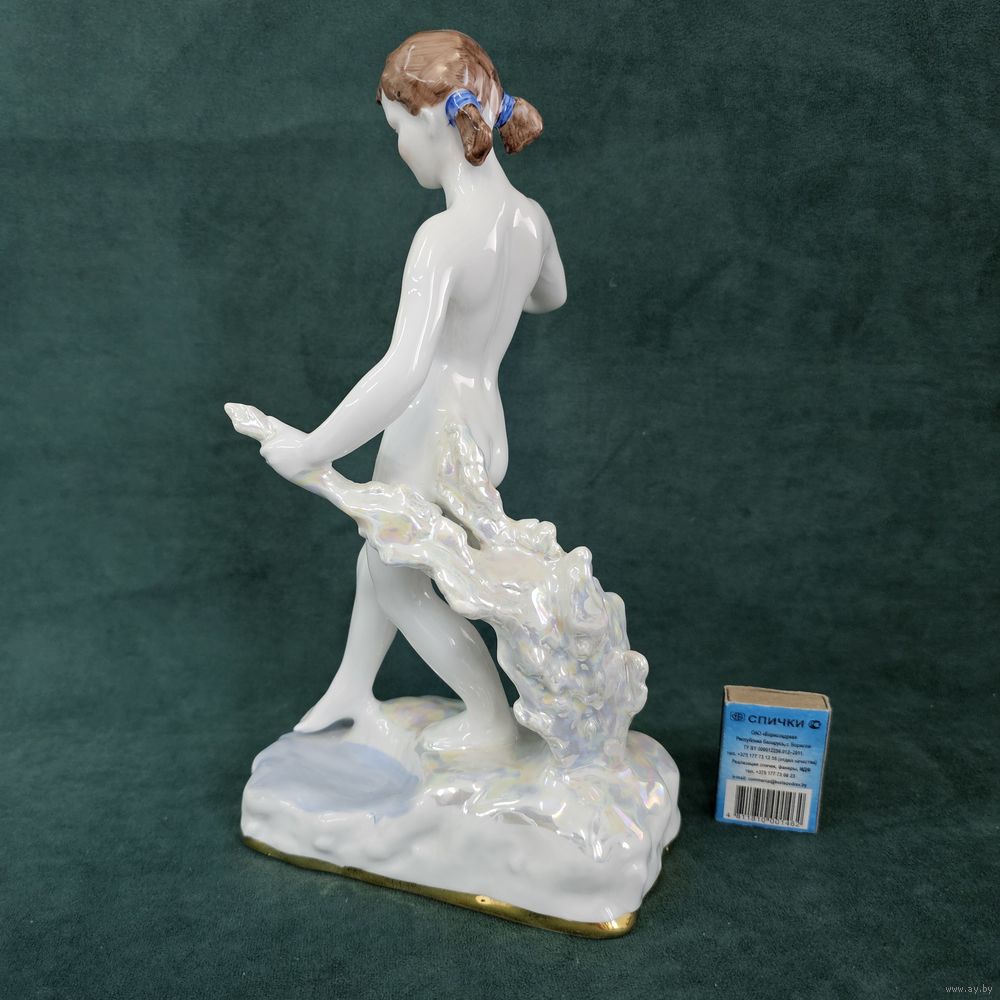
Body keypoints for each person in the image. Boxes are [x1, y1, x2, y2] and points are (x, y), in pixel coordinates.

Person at [258, 30, 567, 751]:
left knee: (398, 576)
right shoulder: (529, 219)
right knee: (382, 554)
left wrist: (312, 449)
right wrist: (500, 288)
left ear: (431, 120)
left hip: (431, 427)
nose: (398, 147)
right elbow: (550, 297)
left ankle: (489, 717)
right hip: (485, 427)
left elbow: (403, 370)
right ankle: (351, 685)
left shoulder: (441, 237)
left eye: (397, 128)